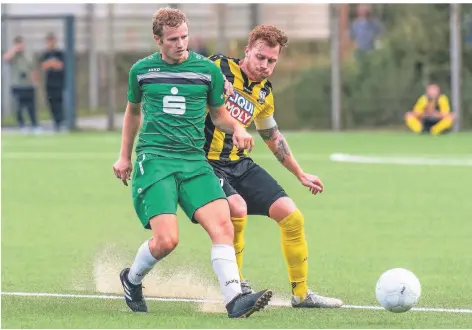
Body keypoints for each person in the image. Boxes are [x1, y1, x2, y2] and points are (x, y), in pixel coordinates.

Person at [112, 8, 272, 318]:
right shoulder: (142, 71)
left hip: (194, 161)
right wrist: (124, 156)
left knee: (223, 225)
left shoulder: (207, 71)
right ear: (158, 40)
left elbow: (218, 115)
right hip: (155, 160)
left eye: (184, 36)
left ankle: (234, 299)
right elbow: (132, 113)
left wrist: (237, 127)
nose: (181, 43)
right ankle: (131, 280)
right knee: (167, 240)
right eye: (173, 39)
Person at [205, 25, 344, 308]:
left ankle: (302, 294)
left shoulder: (265, 93)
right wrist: (214, 83)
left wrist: (300, 173)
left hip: (238, 163)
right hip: (204, 163)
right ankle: (238, 288)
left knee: (292, 217)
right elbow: (187, 71)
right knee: (237, 209)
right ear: (247, 50)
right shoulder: (217, 66)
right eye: (260, 57)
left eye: (272, 61)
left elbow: (273, 138)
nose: (265, 65)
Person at [3, 36, 39, 134]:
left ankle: (35, 125)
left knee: (31, 107)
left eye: (21, 43)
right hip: (17, 85)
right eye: (17, 44)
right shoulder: (12, 55)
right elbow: (6, 58)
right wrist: (14, 50)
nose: (20, 46)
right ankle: (21, 125)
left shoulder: (28, 55)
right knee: (19, 107)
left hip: (28, 85)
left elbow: (34, 69)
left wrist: (35, 82)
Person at [40, 32, 65, 132]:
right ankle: (55, 122)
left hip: (58, 83)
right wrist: (51, 64)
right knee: (51, 103)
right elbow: (44, 66)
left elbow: (60, 65)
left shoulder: (59, 53)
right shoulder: (45, 54)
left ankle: (60, 122)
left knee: (59, 102)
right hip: (49, 83)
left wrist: (52, 64)